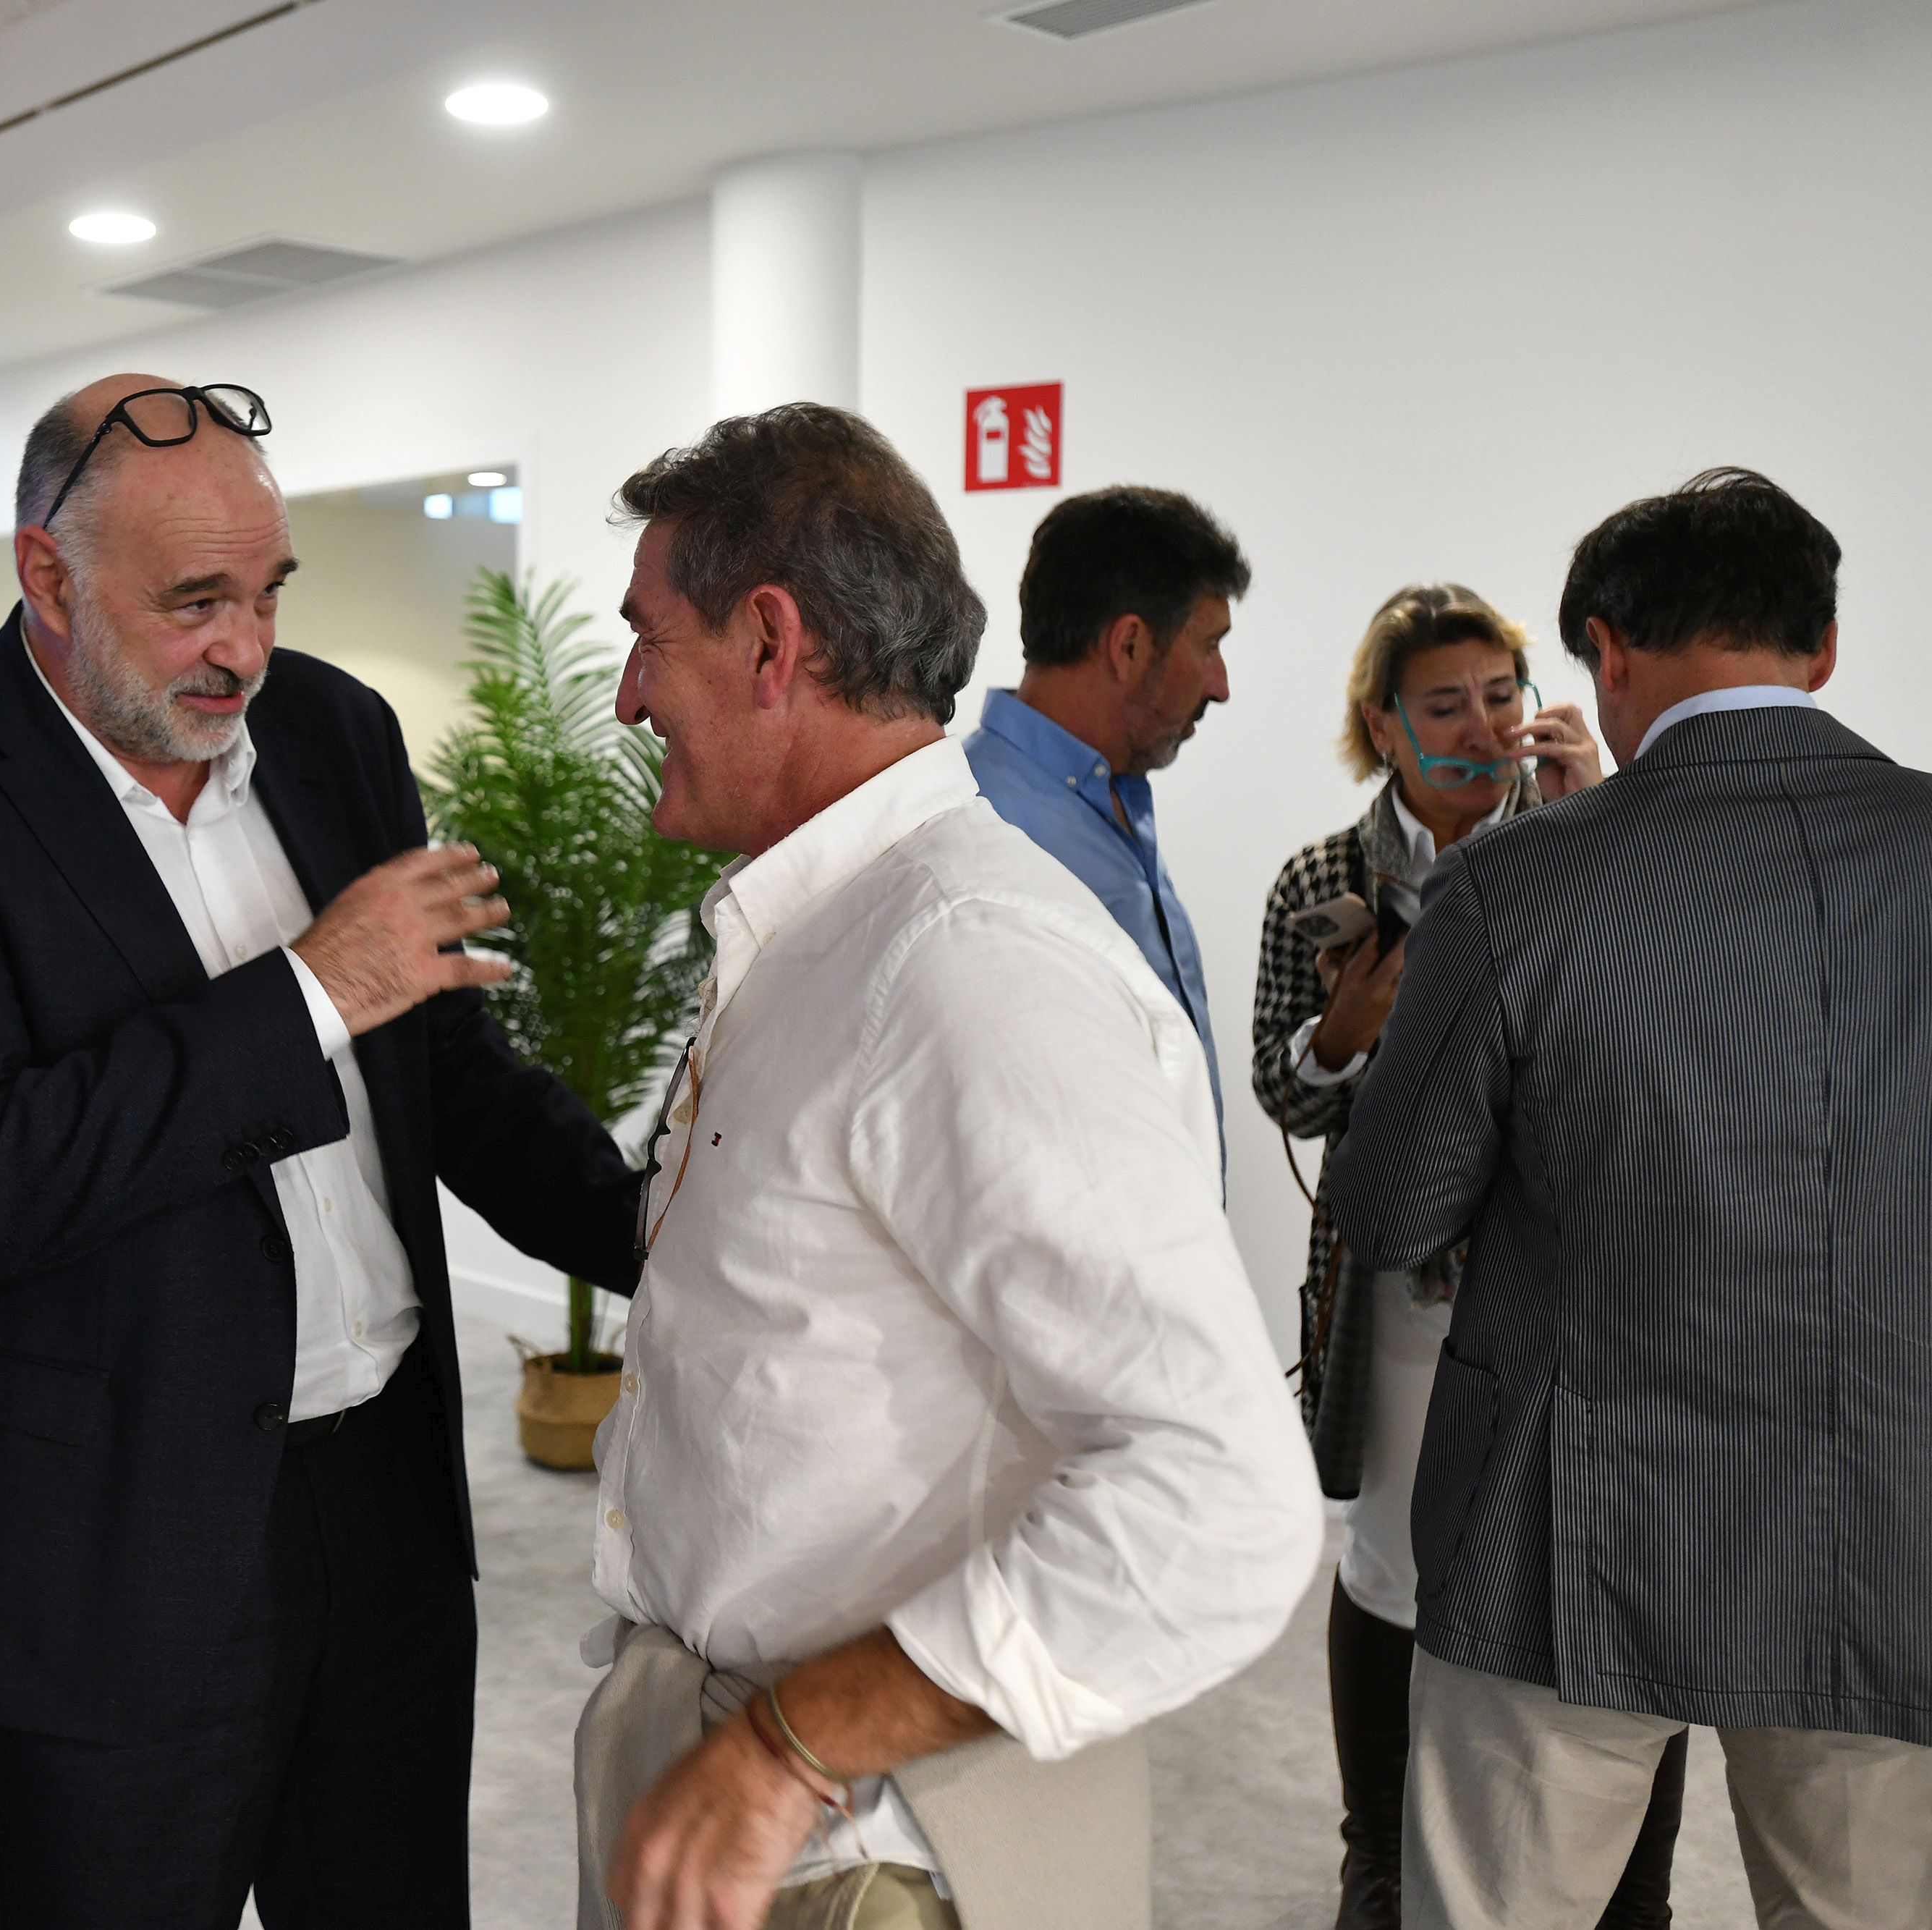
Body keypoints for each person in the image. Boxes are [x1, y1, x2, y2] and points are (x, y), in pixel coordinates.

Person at [0, 375, 643, 1928]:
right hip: (110, 1548)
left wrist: (672, 1233)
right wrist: (315, 983)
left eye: (263, 592)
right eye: (193, 602)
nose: (244, 645)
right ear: (47, 579)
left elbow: (447, 1065)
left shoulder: (334, 731)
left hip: (378, 1509)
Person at [579, 405, 1318, 1930]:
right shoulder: (830, 934)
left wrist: (795, 1741)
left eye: (651, 637)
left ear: (771, 642)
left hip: (865, 1849)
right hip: (782, 1814)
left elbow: (1222, 1496)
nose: (627, 691)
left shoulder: (961, 966)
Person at [1325, 469, 1932, 1930]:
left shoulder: (1513, 887)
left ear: (1601, 650)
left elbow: (1393, 1208)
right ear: (1826, 648)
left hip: (1567, 1534)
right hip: (1890, 1513)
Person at [1246, 586, 1684, 1929]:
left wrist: (1607, 820)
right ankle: (1376, 1855)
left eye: (1501, 693)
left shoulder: (1582, 843)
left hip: (1560, 1282)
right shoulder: (1323, 881)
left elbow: (1650, 1050)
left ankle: (1619, 1885)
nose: (1485, 726)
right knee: (1387, 1560)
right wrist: (1346, 1033)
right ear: (1383, 725)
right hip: (1395, 1291)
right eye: (1446, 704)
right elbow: (1284, 1092)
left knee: (1590, 1573)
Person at [962, 486, 1247, 1120]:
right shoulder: (975, 817)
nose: (1221, 685)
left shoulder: (1115, 796)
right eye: (1209, 646)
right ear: (1129, 646)